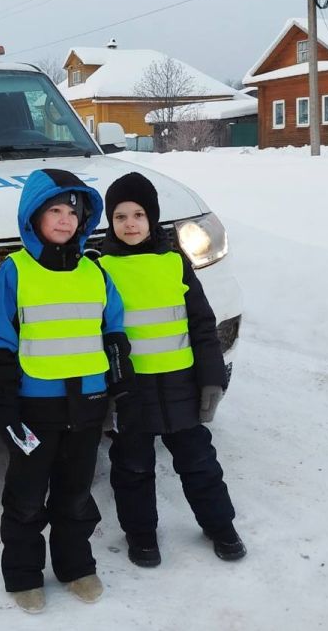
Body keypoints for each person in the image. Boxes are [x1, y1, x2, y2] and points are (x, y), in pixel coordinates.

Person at [0, 168, 135, 614]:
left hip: (88, 404)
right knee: (26, 496)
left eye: (73, 212)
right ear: (34, 216)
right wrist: (5, 402)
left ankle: (76, 565)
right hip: (35, 407)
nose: (65, 220)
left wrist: (122, 390)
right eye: (55, 211)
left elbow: (114, 333)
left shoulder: (95, 272)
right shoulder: (14, 271)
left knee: (76, 491)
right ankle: (24, 574)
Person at [98, 171, 246, 568]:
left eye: (139, 215)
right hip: (132, 390)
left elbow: (201, 323)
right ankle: (141, 534)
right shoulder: (101, 268)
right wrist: (105, 391)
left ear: (153, 218)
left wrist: (211, 378)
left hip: (182, 384)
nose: (130, 224)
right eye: (120, 217)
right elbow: (96, 333)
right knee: (132, 467)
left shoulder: (174, 263)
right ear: (110, 222)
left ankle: (220, 526)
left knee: (199, 462)